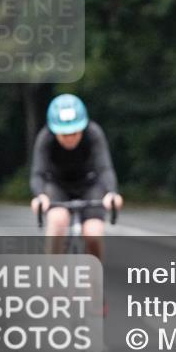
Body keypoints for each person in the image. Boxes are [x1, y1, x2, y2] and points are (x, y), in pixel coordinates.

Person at [30, 94, 123, 258]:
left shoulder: (94, 133)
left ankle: (92, 279)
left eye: (74, 132)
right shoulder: (45, 138)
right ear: (54, 130)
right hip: (57, 185)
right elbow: (38, 173)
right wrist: (40, 196)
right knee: (58, 220)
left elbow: (104, 168)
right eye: (64, 134)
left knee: (93, 232)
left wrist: (111, 192)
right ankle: (52, 273)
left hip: (89, 184)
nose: (70, 138)